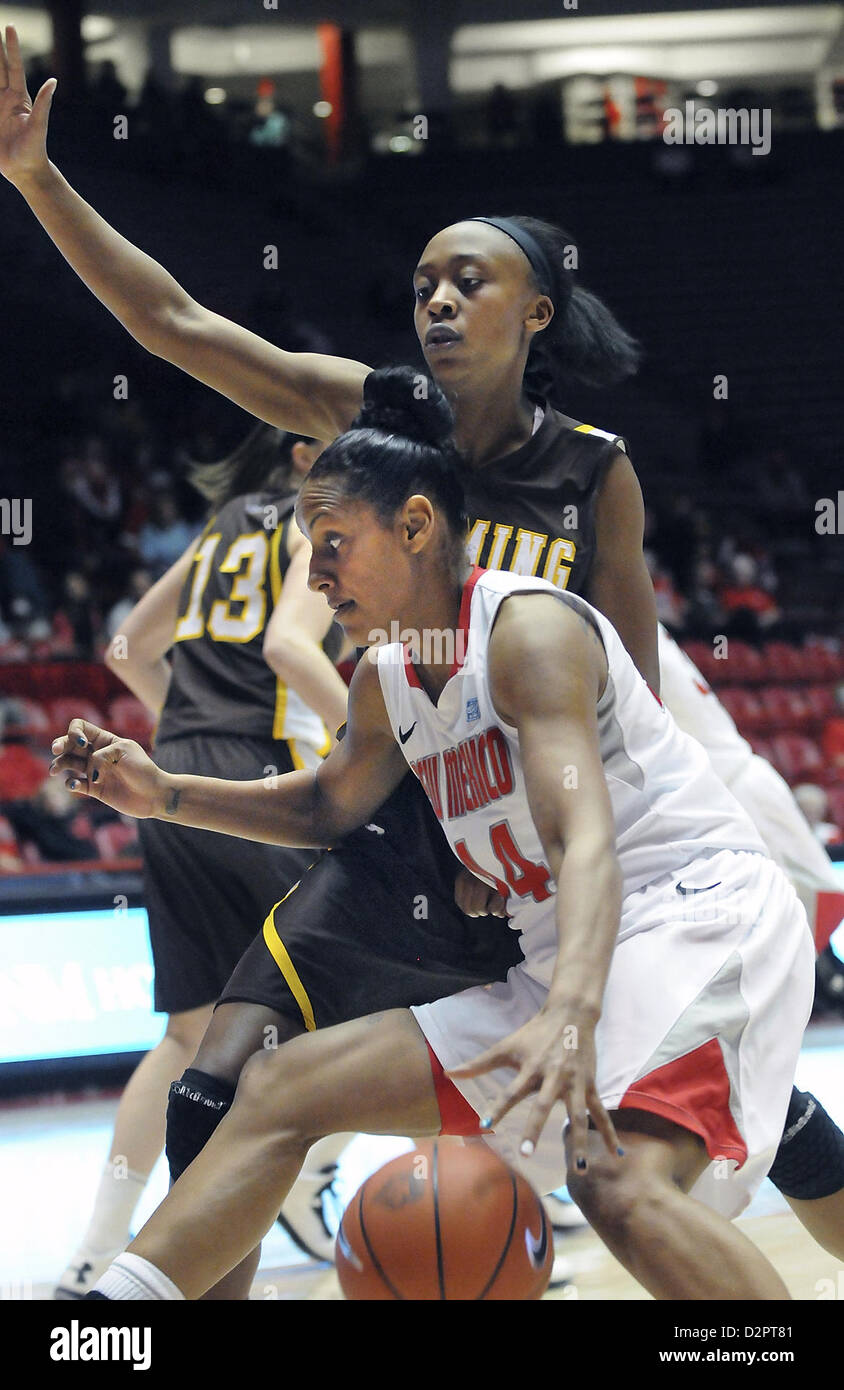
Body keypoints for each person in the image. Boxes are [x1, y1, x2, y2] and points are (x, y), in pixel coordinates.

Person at [1, 24, 841, 1282]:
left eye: (467, 283)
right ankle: (128, 1307)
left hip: (577, 806)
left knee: (688, 1120)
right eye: (421, 286)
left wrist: (577, 872)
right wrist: (35, 179)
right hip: (421, 794)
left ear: (536, 314)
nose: (436, 302)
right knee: (226, 1081)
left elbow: (640, 682)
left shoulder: (594, 474)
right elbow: (173, 320)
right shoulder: (377, 422)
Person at [50, 368, 816, 1301]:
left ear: (415, 526)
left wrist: (572, 1016)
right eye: (307, 551)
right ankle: (108, 1321)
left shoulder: (527, 632)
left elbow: (585, 838)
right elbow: (327, 806)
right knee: (279, 1087)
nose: (316, 573)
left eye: (333, 545)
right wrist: (163, 791)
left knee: (613, 1177)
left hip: (692, 918)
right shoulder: (388, 674)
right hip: (556, 951)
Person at [53, 422, 355, 1298]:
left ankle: (94, 1255)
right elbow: (290, 647)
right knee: (370, 1010)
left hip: (175, 773)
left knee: (189, 1033)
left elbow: (125, 647)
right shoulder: (315, 525)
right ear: (304, 459)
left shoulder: (224, 525)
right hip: (254, 783)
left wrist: (185, 734)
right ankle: (301, 1181)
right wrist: (379, 741)